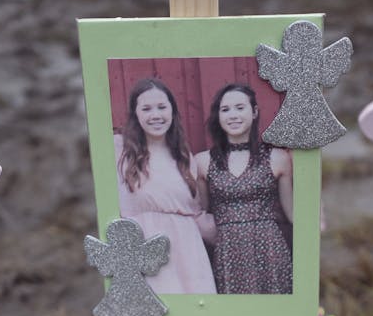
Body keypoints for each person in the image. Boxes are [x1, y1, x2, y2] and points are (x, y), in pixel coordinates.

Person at [114, 78, 215, 295]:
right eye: (147, 108)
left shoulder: (184, 156)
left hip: (188, 253)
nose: (156, 115)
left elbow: (195, 213)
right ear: (136, 114)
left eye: (162, 107)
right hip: (144, 247)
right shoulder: (119, 150)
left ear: (172, 111)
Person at [195, 83, 294, 295]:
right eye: (225, 109)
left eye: (240, 108)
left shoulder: (278, 158)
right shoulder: (203, 162)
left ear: (254, 112)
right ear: (218, 116)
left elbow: (293, 214)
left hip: (270, 250)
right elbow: (201, 215)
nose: (233, 115)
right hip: (228, 253)